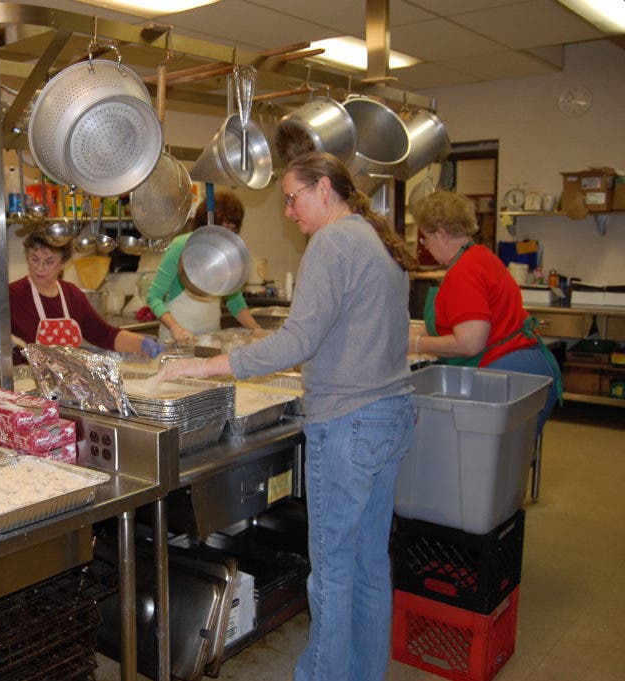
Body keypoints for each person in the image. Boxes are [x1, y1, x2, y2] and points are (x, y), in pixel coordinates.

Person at [156, 152, 417, 681]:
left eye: (293, 200)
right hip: (391, 415)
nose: (291, 214)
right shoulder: (375, 240)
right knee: (369, 567)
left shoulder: (333, 241)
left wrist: (208, 367)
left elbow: (299, 340)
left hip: (348, 421)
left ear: (325, 189)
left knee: (333, 573)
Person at [409, 190, 560, 429]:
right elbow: (465, 325)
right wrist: (417, 334)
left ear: (441, 233)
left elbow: (470, 343)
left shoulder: (464, 272)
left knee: (481, 456)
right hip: (527, 370)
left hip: (506, 374)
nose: (425, 245)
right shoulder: (481, 257)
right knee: (506, 460)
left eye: (425, 238)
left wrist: (417, 345)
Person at [0, 231, 164, 361]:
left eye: (49, 261)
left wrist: (141, 344)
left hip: (67, 388)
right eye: (34, 259)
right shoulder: (11, 295)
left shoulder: (72, 296)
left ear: (62, 264)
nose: (40, 268)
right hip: (25, 389)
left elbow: (104, 334)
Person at [146, 191, 266, 344]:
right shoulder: (181, 246)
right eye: (222, 230)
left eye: (232, 231)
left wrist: (255, 328)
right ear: (207, 225)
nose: (226, 238)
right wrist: (175, 328)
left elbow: (235, 301)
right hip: (176, 342)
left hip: (210, 342)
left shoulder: (226, 255)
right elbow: (153, 296)